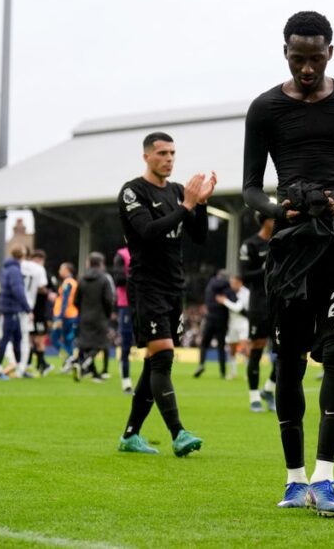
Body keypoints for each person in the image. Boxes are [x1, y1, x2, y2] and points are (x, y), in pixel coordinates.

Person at [242, 11, 334, 516]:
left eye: (316, 57)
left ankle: (325, 479)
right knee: (289, 360)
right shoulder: (264, 108)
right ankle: (293, 478)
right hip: (290, 244)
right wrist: (276, 209)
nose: (307, 68)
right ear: (285, 52)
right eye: (298, 58)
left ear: (331, 51)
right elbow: (249, 190)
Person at [116, 131, 214, 457]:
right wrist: (186, 205)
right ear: (147, 156)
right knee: (164, 357)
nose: (169, 159)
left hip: (175, 286)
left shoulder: (175, 192)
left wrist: (200, 205)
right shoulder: (133, 192)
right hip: (147, 285)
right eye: (162, 153)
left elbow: (199, 236)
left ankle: (130, 435)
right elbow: (147, 232)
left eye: (172, 153)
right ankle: (178, 433)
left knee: (153, 363)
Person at [239, 213, 277, 411]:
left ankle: (269, 389)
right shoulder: (251, 244)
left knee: (285, 352)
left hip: (280, 302)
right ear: (265, 221)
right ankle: (254, 396)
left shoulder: (282, 240)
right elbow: (244, 275)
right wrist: (266, 269)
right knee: (257, 347)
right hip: (259, 303)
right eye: (274, 218)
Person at [73, 252, 114, 382]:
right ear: (101, 263)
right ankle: (83, 364)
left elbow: (76, 300)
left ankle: (94, 373)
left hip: (85, 317)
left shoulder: (82, 279)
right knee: (101, 344)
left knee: (86, 345)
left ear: (89, 263)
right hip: (100, 317)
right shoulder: (104, 279)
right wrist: (107, 314)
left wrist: (82, 311)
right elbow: (109, 300)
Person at [0, 247, 31, 381]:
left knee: (17, 337)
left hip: (8, 308)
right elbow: (18, 291)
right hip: (11, 309)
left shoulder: (7, 269)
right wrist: (27, 308)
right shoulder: (15, 270)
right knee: (7, 338)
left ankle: (20, 367)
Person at [194, 271, 234, 379]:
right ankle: (222, 372)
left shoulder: (210, 286)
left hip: (210, 318)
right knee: (221, 347)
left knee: (204, 344)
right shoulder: (228, 289)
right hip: (222, 320)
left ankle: (201, 364)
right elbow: (233, 301)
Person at [17, 246, 48, 378]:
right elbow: (42, 287)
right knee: (28, 339)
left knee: (30, 339)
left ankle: (31, 364)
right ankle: (25, 365)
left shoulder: (17, 266)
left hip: (23, 307)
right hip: (31, 308)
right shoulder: (38, 269)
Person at [218, 275, 250, 385]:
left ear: (240, 282)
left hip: (243, 323)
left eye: (234, 283)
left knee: (245, 347)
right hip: (232, 323)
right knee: (232, 349)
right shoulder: (230, 292)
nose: (232, 285)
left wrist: (224, 301)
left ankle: (248, 373)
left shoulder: (246, 293)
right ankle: (233, 372)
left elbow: (238, 308)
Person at [24, 249, 52, 376]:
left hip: (40, 312)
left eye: (40, 260)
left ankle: (40, 364)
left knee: (39, 339)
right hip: (31, 310)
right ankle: (32, 363)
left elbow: (49, 290)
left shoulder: (45, 274)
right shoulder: (31, 272)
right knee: (31, 339)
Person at [113, 246, 135, 393]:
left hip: (147, 304)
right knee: (126, 343)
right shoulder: (122, 254)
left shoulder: (149, 251)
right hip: (127, 304)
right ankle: (126, 380)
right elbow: (118, 279)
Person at [52, 262, 79, 371]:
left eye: (61, 268)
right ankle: (70, 362)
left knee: (54, 338)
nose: (59, 270)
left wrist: (60, 317)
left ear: (68, 270)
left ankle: (70, 359)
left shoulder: (67, 283)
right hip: (71, 315)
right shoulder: (72, 282)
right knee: (68, 341)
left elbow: (65, 301)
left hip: (65, 315)